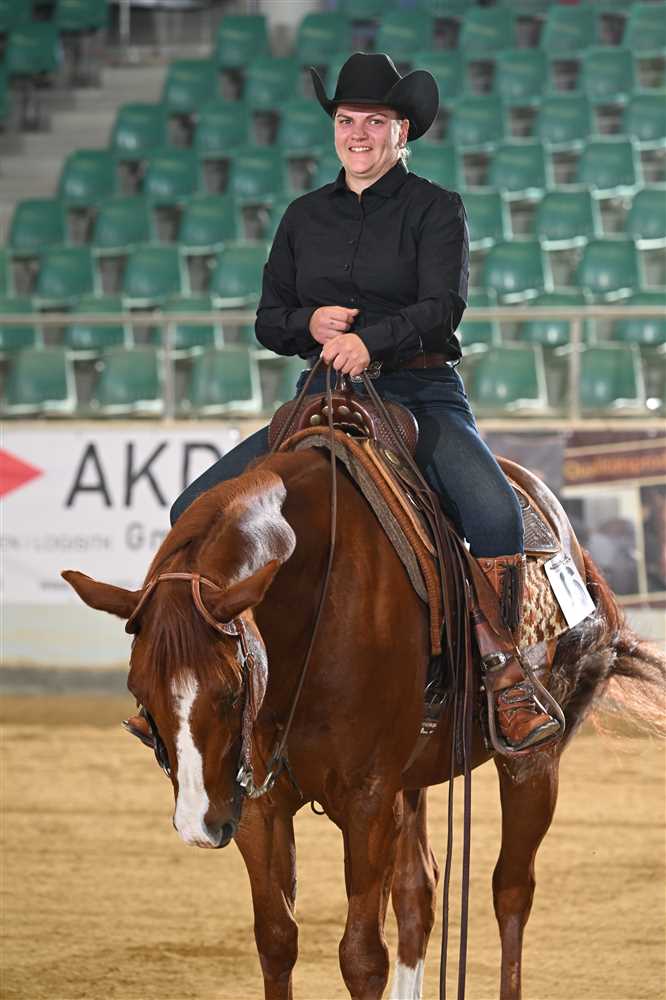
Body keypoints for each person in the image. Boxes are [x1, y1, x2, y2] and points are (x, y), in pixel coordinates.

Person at [133, 53, 560, 753]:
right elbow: (269, 320)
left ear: (401, 132)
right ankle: (188, 673)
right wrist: (308, 323)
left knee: (493, 513)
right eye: (346, 120)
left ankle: (505, 673)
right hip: (323, 393)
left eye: (374, 122)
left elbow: (443, 306)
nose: (358, 134)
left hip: (419, 390)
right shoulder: (303, 217)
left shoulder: (437, 208)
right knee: (191, 509)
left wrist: (370, 340)